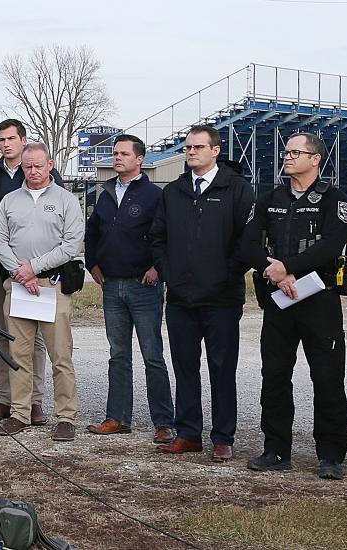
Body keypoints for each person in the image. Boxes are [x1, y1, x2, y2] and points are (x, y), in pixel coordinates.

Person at [241, 132, 347, 480]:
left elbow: (332, 245)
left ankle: (330, 455)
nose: (286, 157)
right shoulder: (269, 198)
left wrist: (288, 268)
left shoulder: (332, 199)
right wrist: (272, 270)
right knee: (274, 376)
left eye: (295, 152)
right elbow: (247, 243)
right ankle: (276, 449)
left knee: (327, 377)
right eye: (286, 152)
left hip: (319, 301)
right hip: (279, 301)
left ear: (315, 159)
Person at [149, 125, 254, 462]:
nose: (191, 152)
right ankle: (189, 433)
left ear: (216, 151)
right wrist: (170, 276)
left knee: (222, 369)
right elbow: (157, 238)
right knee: (184, 368)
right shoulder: (174, 192)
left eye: (198, 147)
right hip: (180, 299)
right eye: (188, 147)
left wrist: (225, 276)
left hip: (221, 298)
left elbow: (247, 242)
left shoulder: (236, 189)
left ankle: (223, 436)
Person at [84, 135, 175, 444]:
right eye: (115, 153)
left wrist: (156, 269)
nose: (117, 157)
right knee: (118, 355)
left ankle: (164, 422)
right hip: (112, 286)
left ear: (140, 159)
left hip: (143, 286)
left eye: (124, 153)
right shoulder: (106, 193)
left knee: (152, 355)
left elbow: (166, 236)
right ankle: (117, 418)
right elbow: (92, 233)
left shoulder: (154, 195)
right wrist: (92, 263)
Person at [0, 143, 84, 441]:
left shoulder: (67, 201)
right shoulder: (9, 200)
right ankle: (20, 413)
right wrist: (21, 273)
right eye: (27, 167)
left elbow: (71, 245)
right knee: (19, 353)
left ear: (50, 164)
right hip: (17, 286)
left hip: (51, 287)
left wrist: (35, 267)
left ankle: (66, 416)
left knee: (60, 355)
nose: (32, 171)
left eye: (38, 166)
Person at [0, 119, 62, 426]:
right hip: (1, 269)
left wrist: (33, 270)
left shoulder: (42, 173)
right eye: (1, 139)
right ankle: (4, 398)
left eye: (10, 138)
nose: (4, 144)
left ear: (23, 140)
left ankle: (34, 401)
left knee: (36, 339)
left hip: (38, 273)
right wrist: (12, 267)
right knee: (3, 334)